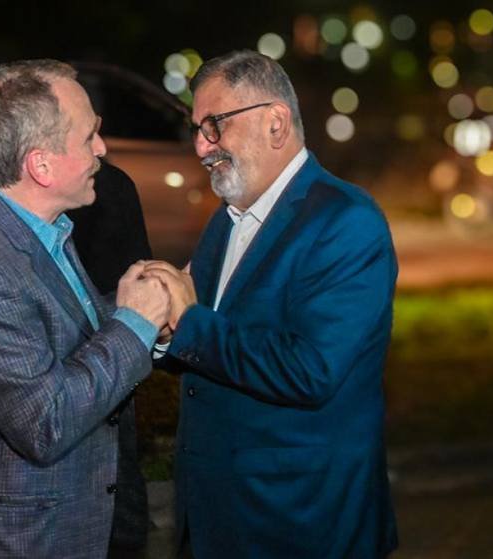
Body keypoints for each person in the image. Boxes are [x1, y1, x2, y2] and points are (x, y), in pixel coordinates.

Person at [0, 59, 169, 558]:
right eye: (88, 137)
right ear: (41, 166)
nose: (102, 149)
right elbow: (47, 420)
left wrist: (148, 312)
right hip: (11, 541)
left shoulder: (43, 230)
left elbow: (64, 337)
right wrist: (135, 324)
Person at [143, 50, 399, 558]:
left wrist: (188, 322)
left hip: (301, 521)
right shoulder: (226, 220)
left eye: (214, 125)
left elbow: (309, 370)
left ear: (275, 123)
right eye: (196, 129)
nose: (201, 146)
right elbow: (208, 347)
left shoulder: (347, 222)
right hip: (218, 517)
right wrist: (166, 330)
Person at [68, 161, 154, 555]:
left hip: (106, 373)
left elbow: (133, 288)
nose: (98, 147)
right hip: (96, 377)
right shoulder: (107, 184)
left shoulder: (107, 186)